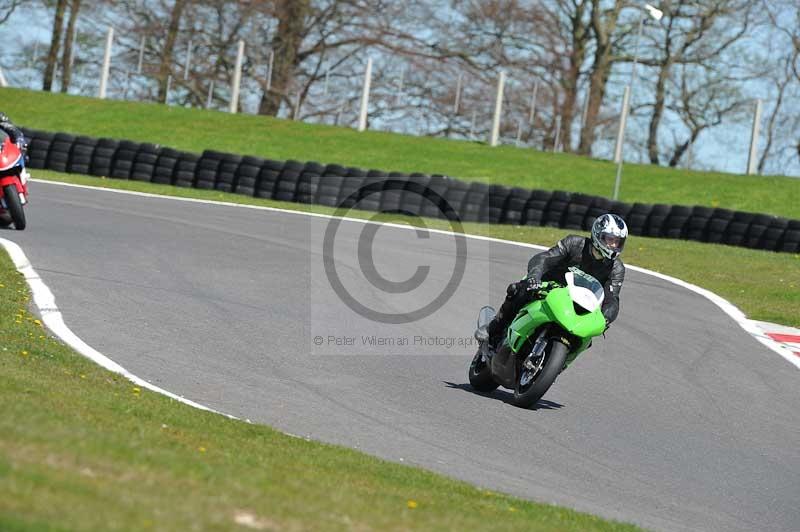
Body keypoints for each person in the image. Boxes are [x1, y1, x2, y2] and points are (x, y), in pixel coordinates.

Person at [478, 213, 628, 348]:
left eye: (618, 242)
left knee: (587, 338)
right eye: (610, 239)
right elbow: (544, 258)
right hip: (546, 286)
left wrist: (606, 318)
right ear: (598, 234)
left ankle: (558, 365)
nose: (613, 245)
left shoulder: (616, 268)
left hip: (579, 302)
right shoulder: (574, 243)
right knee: (518, 290)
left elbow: (612, 298)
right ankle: (493, 329)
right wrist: (533, 277)